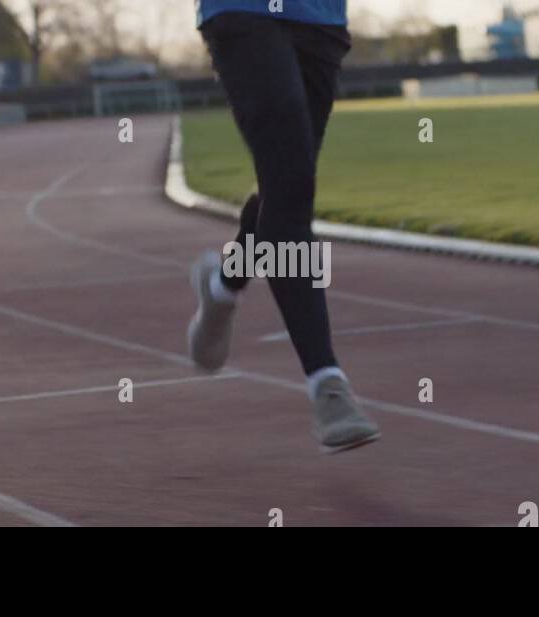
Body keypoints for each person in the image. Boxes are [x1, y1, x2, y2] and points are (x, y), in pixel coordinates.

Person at [187, 0, 380, 453]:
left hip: (320, 18)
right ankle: (327, 385)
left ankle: (221, 288)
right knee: (292, 190)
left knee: (284, 183)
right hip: (242, 12)